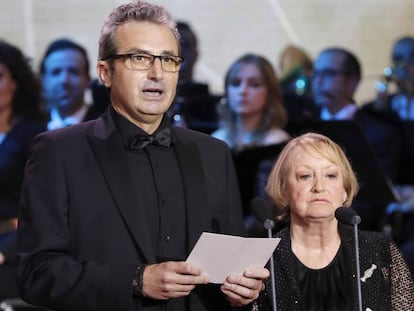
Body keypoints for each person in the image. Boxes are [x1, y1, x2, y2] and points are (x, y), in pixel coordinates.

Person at [16, 2, 268, 311]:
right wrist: (135, 280)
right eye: (139, 58)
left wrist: (242, 290)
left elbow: (229, 270)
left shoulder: (213, 153)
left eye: (168, 60)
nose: (157, 73)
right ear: (105, 72)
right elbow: (36, 274)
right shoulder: (59, 152)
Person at [257, 132, 414, 310]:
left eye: (330, 176)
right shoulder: (264, 260)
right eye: (305, 176)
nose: (319, 187)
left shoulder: (379, 248)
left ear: (345, 190)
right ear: (284, 190)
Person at [309, 47, 403, 231]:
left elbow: (374, 199)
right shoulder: (304, 127)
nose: (318, 81)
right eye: (316, 73)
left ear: (352, 81)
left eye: (328, 73)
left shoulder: (379, 133)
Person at [0, 40, 46, 301]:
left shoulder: (34, 135)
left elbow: (45, 211)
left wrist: (5, 251)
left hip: (17, 248)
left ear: (15, 83)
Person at [212, 53, 290, 152]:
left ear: (270, 92)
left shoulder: (278, 141)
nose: (242, 91)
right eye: (236, 83)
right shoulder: (216, 139)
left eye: (254, 84)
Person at [39, 38, 106, 130]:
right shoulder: (29, 132)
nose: (64, 80)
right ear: (43, 81)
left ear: (88, 80)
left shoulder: (106, 127)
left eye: (73, 72)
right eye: (56, 72)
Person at [169, 21, 220, 133]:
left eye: (185, 45)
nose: (179, 51)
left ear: (196, 54)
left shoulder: (211, 107)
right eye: (173, 45)